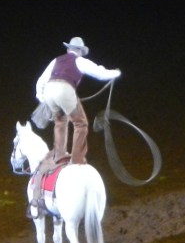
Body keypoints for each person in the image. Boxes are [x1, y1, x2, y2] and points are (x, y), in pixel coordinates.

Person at [35, 36, 121, 166]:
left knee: (60, 122)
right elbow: (100, 73)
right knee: (81, 123)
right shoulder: (80, 61)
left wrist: (41, 96)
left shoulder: (56, 60)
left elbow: (41, 80)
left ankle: (59, 155)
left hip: (48, 91)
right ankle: (77, 159)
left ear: (69, 49)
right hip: (64, 90)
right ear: (80, 51)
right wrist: (115, 73)